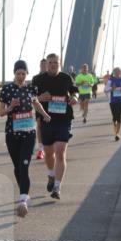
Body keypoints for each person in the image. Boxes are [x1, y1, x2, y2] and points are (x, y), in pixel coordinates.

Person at [0, 60, 51, 217]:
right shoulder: (7, 89)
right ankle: (25, 192)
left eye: (23, 73)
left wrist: (45, 115)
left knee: (24, 165)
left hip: (28, 133)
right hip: (12, 134)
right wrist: (11, 107)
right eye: (18, 73)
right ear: (14, 73)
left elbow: (36, 104)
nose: (20, 76)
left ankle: (22, 199)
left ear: (27, 74)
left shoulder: (31, 88)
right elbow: (1, 112)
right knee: (17, 167)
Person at [35, 53, 77, 200]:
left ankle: (57, 187)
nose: (53, 65)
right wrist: (40, 98)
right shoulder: (38, 79)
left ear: (60, 63)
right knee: (48, 153)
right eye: (51, 62)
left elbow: (74, 91)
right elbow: (31, 99)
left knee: (60, 152)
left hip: (64, 119)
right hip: (47, 119)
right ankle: (51, 175)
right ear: (46, 64)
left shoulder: (66, 78)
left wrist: (74, 98)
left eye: (56, 62)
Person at [102, 67, 121, 141]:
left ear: (120, 72)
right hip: (112, 101)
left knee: (119, 116)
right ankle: (115, 132)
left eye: (118, 72)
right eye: (116, 72)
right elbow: (105, 90)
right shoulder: (110, 80)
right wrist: (111, 88)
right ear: (114, 73)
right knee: (114, 117)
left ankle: (117, 133)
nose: (117, 73)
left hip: (120, 101)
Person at [31, 58, 48, 160]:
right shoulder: (36, 78)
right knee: (39, 124)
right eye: (42, 65)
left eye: (45, 65)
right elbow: (32, 95)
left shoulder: (53, 77)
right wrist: (39, 98)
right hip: (39, 105)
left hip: (52, 106)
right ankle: (41, 149)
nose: (43, 67)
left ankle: (51, 146)